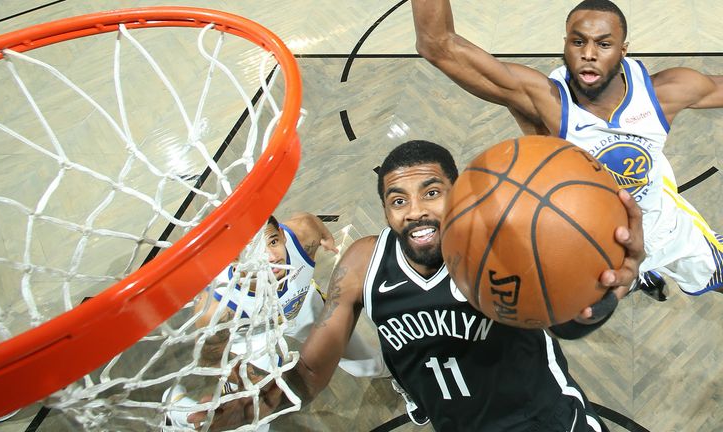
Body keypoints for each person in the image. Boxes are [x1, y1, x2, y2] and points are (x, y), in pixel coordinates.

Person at [196, 140, 645, 431]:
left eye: (432, 192)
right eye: (398, 200)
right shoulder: (364, 263)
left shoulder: (499, 242)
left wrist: (601, 299)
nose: (414, 212)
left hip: (543, 422)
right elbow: (312, 372)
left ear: (460, 192)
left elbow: (566, 322)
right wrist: (250, 405)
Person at [411, 0, 723, 300]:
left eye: (603, 44)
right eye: (578, 42)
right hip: (592, 241)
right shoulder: (546, 101)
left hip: (664, 223)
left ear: (623, 50)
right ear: (564, 44)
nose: (589, 54)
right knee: (582, 304)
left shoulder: (664, 92)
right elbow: (436, 44)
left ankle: (649, 270)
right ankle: (640, 275)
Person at [163, 213, 386, 430]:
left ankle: (407, 381)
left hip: (300, 307)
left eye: (272, 241)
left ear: (281, 234)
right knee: (258, 414)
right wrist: (256, 381)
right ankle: (178, 410)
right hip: (252, 334)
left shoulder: (303, 233)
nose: (271, 256)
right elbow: (211, 357)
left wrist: (326, 239)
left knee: (370, 365)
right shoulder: (214, 308)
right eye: (253, 251)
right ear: (232, 259)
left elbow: (315, 225)